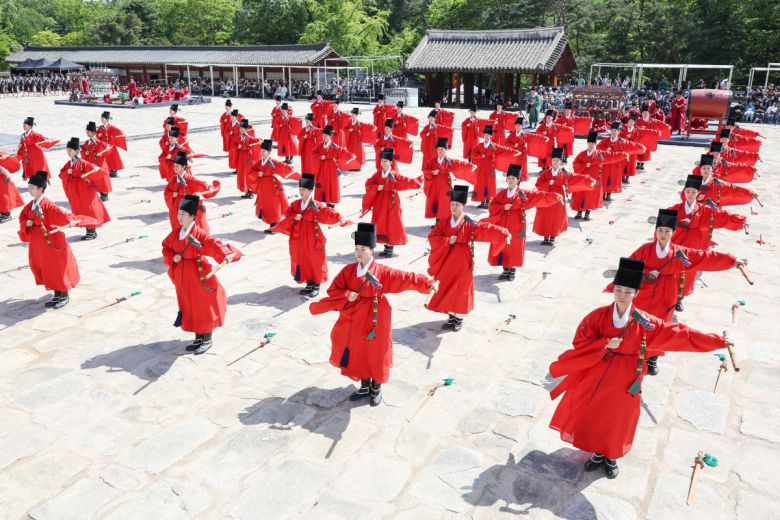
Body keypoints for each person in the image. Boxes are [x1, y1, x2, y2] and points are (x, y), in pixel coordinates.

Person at [549, 257, 735, 479]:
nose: (622, 295)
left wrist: (716, 341)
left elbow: (678, 333)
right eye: (618, 289)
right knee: (595, 412)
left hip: (627, 376)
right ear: (613, 289)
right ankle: (598, 452)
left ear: (636, 293)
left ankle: (611, 455)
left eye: (628, 291)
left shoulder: (645, 321)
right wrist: (604, 343)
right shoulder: (597, 316)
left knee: (619, 416)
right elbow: (580, 339)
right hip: (598, 370)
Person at [309, 222, 435, 406]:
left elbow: (405, 278)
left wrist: (427, 283)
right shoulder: (348, 271)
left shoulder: (382, 272)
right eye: (357, 249)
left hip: (376, 317)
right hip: (353, 318)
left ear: (372, 251)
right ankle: (365, 384)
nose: (359, 253)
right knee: (357, 350)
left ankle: (376, 387)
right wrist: (346, 295)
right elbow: (333, 290)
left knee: (375, 352)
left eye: (363, 249)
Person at [162, 195, 241, 355]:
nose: (179, 217)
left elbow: (212, 244)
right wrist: (173, 257)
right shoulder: (176, 232)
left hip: (198, 274)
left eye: (183, 214)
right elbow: (166, 247)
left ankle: (207, 338)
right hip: (183, 276)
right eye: (179, 213)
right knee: (189, 305)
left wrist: (225, 252)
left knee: (203, 305)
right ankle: (198, 336)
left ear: (192, 217)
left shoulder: (198, 233)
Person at [426, 185, 510, 331]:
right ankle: (450, 316)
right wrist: (447, 241)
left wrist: (503, 232)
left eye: (457, 205)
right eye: (452, 204)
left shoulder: (469, 223)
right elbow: (433, 236)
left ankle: (458, 318)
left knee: (460, 288)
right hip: (447, 260)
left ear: (464, 206)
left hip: (462, 260)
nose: (453, 207)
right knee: (447, 286)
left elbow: (485, 228)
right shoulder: (444, 222)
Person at [668, 174, 747, 298]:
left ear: (698, 193)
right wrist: (679, 223)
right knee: (673, 269)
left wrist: (738, 220)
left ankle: (680, 298)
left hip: (695, 243)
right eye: (687, 191)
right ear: (684, 192)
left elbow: (721, 215)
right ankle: (670, 294)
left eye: (693, 191)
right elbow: (663, 227)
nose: (690, 194)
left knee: (689, 270)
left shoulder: (704, 209)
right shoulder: (674, 209)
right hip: (678, 241)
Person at [483, 164, 562, 280]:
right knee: (504, 245)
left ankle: (512, 270)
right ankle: (505, 269)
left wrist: (555, 196)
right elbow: (493, 205)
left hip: (517, 224)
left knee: (514, 246)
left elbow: (538, 196)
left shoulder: (523, 193)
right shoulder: (502, 193)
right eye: (509, 178)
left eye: (513, 179)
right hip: (503, 224)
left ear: (518, 180)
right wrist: (503, 207)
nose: (510, 180)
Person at [18, 172, 83, 309]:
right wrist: (26, 223)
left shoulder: (48, 205)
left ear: (41, 189)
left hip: (51, 241)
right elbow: (22, 216)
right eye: (29, 187)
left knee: (56, 267)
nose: (29, 190)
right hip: (38, 243)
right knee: (46, 268)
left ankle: (64, 294)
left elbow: (62, 214)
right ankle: (57, 294)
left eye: (32, 188)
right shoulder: (31, 205)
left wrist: (70, 219)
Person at [272, 174, 343, 297]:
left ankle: (316, 284)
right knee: (302, 258)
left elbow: (326, 213)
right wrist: (295, 217)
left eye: (304, 190)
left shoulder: (315, 205)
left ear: (311, 190)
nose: (301, 192)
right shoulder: (295, 204)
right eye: (300, 189)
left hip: (312, 235)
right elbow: (288, 215)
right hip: (298, 236)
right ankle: (308, 283)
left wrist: (338, 217)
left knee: (314, 260)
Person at [362, 148, 422, 258]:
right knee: (381, 224)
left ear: (391, 162)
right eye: (382, 161)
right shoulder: (377, 175)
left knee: (391, 224)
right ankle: (386, 247)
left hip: (391, 202)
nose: (383, 163)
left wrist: (417, 182)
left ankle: (390, 248)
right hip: (380, 203)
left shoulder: (394, 175)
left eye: (386, 161)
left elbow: (405, 181)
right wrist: (376, 187)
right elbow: (368, 184)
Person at [534, 148, 594, 245]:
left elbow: (575, 177)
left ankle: (553, 236)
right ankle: (546, 237)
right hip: (547, 196)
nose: (555, 162)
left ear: (561, 162)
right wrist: (548, 183)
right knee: (545, 216)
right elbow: (538, 184)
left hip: (558, 198)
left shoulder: (564, 173)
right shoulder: (545, 173)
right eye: (553, 160)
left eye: (557, 160)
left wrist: (589, 179)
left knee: (555, 216)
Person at [58, 138, 110, 241]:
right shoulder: (69, 164)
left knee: (89, 209)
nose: (68, 152)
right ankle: (88, 230)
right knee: (81, 210)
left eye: (70, 150)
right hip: (75, 190)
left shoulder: (83, 163)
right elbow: (61, 174)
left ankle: (92, 231)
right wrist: (67, 173)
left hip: (84, 190)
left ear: (76, 151)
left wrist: (96, 169)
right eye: (67, 150)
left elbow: (95, 171)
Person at [570, 131, 624, 220]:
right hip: (582, 179)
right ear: (587, 144)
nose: (591, 145)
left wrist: (623, 155)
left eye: (593, 143)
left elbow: (611, 156)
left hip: (593, 179)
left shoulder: (599, 154)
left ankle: (587, 212)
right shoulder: (582, 154)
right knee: (580, 195)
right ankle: (579, 212)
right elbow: (575, 164)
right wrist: (584, 165)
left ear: (595, 144)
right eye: (589, 143)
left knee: (590, 196)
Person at [164, 151, 219, 233]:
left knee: (188, 230)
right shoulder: (173, 179)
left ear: (183, 167)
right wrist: (172, 194)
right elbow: (166, 191)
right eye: (174, 166)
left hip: (186, 208)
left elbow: (201, 184)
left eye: (177, 166)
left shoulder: (189, 179)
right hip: (176, 208)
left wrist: (209, 187)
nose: (175, 168)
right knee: (177, 229)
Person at [422, 138, 473, 221]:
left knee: (444, 204)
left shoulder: (448, 161)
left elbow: (459, 163)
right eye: (438, 149)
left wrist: (469, 165)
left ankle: (443, 221)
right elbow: (425, 169)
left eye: (442, 149)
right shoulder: (433, 161)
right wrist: (432, 172)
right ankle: (437, 221)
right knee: (435, 202)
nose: (440, 151)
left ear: (446, 150)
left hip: (445, 186)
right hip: (434, 186)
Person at [249, 140, 290, 233]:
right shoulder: (259, 163)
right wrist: (257, 174)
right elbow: (251, 172)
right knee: (266, 205)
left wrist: (290, 169)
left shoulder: (272, 162)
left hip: (272, 186)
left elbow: (282, 166)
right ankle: (272, 224)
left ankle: (275, 224)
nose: (262, 153)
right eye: (261, 151)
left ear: (269, 152)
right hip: (263, 187)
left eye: (264, 151)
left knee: (274, 205)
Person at [597, 122, 645, 201]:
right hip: (606, 164)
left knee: (613, 179)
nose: (613, 132)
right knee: (604, 178)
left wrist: (641, 147)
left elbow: (631, 144)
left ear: (618, 132)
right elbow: (598, 148)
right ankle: (603, 193)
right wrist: (605, 149)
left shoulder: (622, 141)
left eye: (615, 131)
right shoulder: (605, 141)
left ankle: (609, 193)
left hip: (616, 164)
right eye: (612, 130)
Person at [471, 125, 499, 208]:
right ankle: (482, 201)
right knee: (481, 183)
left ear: (491, 136)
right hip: (481, 167)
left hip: (490, 167)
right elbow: (473, 154)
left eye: (488, 135)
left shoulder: (493, 146)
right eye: (485, 135)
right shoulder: (480, 145)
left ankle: (488, 202)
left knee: (489, 184)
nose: (486, 136)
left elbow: (497, 155)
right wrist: (480, 156)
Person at [96, 111, 126, 179]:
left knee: (113, 159)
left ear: (107, 119)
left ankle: (113, 171)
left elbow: (120, 132)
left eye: (103, 118)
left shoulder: (111, 127)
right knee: (105, 159)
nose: (102, 119)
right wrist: (99, 135)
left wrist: (120, 135)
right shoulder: (100, 127)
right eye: (101, 118)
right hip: (104, 146)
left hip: (111, 145)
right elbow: (97, 136)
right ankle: (107, 171)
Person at [235, 119, 260, 199]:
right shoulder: (240, 137)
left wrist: (241, 146)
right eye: (240, 128)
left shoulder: (249, 138)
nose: (241, 130)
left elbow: (253, 144)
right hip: (241, 159)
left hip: (248, 159)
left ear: (246, 129)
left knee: (249, 175)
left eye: (242, 129)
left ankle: (251, 192)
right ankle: (247, 190)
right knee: (243, 175)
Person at [0, 152, 24, 224]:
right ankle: (4, 213)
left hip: (2, 181)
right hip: (3, 179)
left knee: (4, 198)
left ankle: (6, 215)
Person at [505, 117, 530, 181]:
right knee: (513, 167)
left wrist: (525, 148)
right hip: (514, 154)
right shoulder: (512, 135)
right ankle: (512, 179)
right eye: (516, 125)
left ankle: (519, 180)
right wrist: (513, 145)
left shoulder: (524, 135)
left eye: (519, 125)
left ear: (522, 126)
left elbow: (528, 144)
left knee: (520, 167)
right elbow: (506, 143)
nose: (517, 127)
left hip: (521, 154)